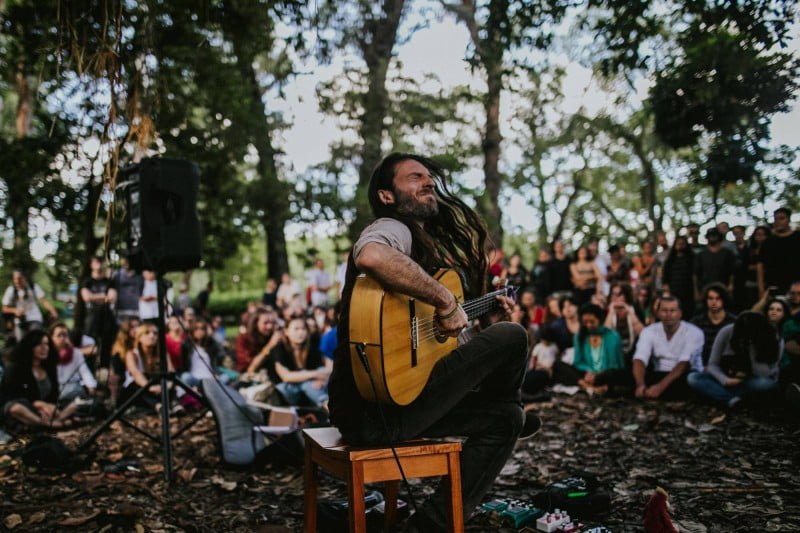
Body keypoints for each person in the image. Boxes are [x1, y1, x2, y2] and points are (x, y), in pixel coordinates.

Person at [328, 152, 536, 532]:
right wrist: (444, 299)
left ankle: (428, 527)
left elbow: (434, 345)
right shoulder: (393, 228)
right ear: (387, 195)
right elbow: (372, 255)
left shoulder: (424, 248)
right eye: (413, 177)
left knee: (508, 419)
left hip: (398, 401)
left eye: (428, 177)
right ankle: (502, 395)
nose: (427, 182)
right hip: (373, 409)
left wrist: (481, 318)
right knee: (513, 337)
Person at [687, 312, 781, 408]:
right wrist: (725, 380)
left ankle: (720, 395)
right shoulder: (727, 331)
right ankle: (732, 400)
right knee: (693, 378)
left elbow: (764, 374)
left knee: (766, 384)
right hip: (726, 379)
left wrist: (752, 347)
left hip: (751, 381)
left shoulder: (772, 337)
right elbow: (712, 364)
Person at [0, 329, 78, 429]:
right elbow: (11, 395)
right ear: (30, 347)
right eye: (39, 344)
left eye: (46, 344)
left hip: (45, 409)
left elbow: (54, 394)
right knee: (16, 408)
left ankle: (54, 420)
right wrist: (37, 404)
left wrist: (49, 406)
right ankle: (47, 424)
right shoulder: (15, 368)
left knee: (74, 405)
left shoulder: (49, 367)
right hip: (24, 406)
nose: (44, 348)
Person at [633, 296, 704, 400]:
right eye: (664, 311)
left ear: (680, 313)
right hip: (659, 374)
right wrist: (640, 384)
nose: (668, 314)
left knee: (691, 381)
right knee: (625, 375)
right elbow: (639, 358)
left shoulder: (694, 332)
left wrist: (660, 387)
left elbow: (685, 363)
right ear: (658, 313)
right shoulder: (649, 331)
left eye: (672, 310)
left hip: (684, 375)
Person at [553, 304, 626, 395]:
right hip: (586, 375)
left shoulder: (613, 336)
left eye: (592, 322)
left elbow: (615, 365)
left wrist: (598, 374)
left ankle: (601, 387)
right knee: (558, 365)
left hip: (605, 374)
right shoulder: (579, 336)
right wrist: (589, 371)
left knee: (619, 374)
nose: (589, 325)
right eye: (585, 322)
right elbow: (578, 362)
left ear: (600, 320)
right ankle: (588, 387)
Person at [266, 315, 331, 407]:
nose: (301, 332)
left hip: (312, 388)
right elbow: (286, 376)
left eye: (303, 329)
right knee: (304, 384)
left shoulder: (313, 346)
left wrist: (324, 379)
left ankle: (326, 406)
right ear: (286, 331)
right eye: (296, 329)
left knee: (309, 384)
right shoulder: (279, 348)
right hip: (288, 390)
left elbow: (330, 368)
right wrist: (316, 375)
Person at [120, 323, 173, 412]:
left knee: (165, 380)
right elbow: (135, 373)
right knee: (137, 384)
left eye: (155, 333)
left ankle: (175, 405)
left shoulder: (162, 354)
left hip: (157, 388)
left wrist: (168, 385)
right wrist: (150, 387)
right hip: (135, 390)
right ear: (139, 337)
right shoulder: (132, 354)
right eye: (147, 333)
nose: (152, 336)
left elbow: (171, 372)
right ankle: (158, 406)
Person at [80, 256, 118, 368]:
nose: (99, 264)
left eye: (100, 262)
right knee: (90, 343)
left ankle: (104, 369)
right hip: (92, 318)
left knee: (107, 344)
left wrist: (94, 296)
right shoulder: (87, 281)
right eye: (96, 262)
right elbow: (86, 297)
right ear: (91, 264)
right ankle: (89, 369)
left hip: (107, 317)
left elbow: (112, 297)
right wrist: (103, 296)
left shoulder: (109, 281)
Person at [2, 269, 58, 341]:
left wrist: (53, 312)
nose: (17, 281)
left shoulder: (33, 287)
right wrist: (15, 311)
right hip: (20, 321)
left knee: (35, 339)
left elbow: (44, 301)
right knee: (21, 343)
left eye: (19, 278)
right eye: (15, 279)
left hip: (34, 318)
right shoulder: (11, 290)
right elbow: (5, 308)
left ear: (24, 278)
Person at [758, 207, 800, 297]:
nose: (778, 221)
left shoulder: (797, 238)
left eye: (782, 218)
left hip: (796, 287)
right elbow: (760, 265)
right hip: (774, 287)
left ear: (788, 220)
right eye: (775, 219)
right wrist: (761, 288)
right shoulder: (768, 242)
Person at [691, 284, 736, 367]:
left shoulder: (733, 322)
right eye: (710, 298)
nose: (714, 302)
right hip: (703, 367)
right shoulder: (697, 322)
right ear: (706, 300)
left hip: (726, 368)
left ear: (723, 300)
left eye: (718, 298)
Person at [50, 322, 97, 403]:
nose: (62, 338)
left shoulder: (75, 352)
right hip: (55, 389)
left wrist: (91, 386)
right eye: (59, 335)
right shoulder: (48, 354)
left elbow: (84, 371)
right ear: (51, 337)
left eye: (64, 335)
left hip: (74, 388)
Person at [236, 308, 284, 374]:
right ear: (256, 323)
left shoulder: (272, 336)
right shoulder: (243, 339)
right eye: (265, 323)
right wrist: (270, 345)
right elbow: (250, 367)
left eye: (272, 323)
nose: (270, 326)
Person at [694, 228, 736, 301]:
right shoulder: (701, 254)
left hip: (723, 287)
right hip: (705, 288)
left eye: (714, 235)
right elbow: (695, 274)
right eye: (710, 235)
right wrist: (696, 291)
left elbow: (732, 272)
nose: (712, 237)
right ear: (707, 237)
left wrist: (731, 285)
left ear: (719, 237)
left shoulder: (727, 253)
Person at [605, 282, 645, 358]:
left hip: (633, 354)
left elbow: (643, 334)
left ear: (626, 296)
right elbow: (605, 335)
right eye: (612, 294)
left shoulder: (635, 309)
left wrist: (630, 312)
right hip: (612, 355)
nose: (615, 297)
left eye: (619, 294)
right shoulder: (605, 310)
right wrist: (611, 313)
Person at [661, 235, 695, 317]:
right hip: (674, 290)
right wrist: (666, 287)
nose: (680, 246)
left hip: (688, 291)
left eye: (682, 244)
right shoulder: (670, 260)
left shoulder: (692, 258)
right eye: (678, 244)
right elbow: (665, 275)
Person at [111, 257, 143, 322]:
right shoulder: (117, 275)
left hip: (136, 309)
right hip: (121, 309)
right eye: (124, 262)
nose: (126, 264)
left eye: (127, 262)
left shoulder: (139, 276)